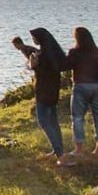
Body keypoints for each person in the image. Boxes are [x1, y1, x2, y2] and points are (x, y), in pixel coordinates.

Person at [28, 27, 74, 167]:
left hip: (43, 91)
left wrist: (33, 65)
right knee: (53, 121)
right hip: (53, 90)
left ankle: (60, 155)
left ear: (40, 38)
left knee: (43, 121)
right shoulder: (54, 53)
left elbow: (43, 73)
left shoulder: (43, 55)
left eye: (34, 37)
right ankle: (57, 150)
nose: (33, 40)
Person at [66, 26, 98, 157]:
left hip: (81, 86)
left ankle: (79, 149)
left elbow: (67, 65)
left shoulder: (74, 52)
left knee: (78, 117)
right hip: (97, 86)